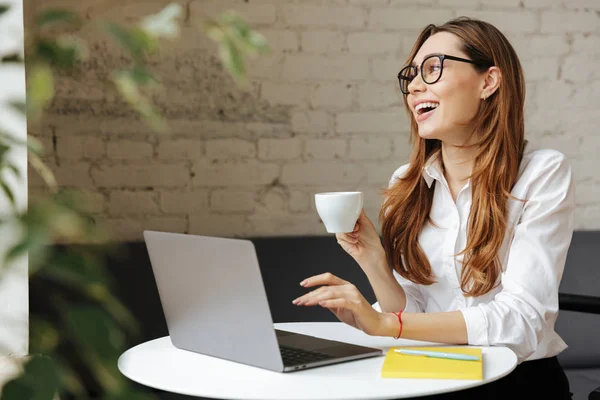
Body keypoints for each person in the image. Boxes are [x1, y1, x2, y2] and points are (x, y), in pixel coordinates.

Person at [292, 17, 574, 399]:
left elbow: (522, 322)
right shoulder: (407, 182)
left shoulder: (541, 173)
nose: (414, 86)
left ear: (488, 82)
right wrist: (372, 259)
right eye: (411, 75)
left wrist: (385, 324)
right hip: (432, 375)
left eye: (433, 68)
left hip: (514, 380)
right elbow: (415, 313)